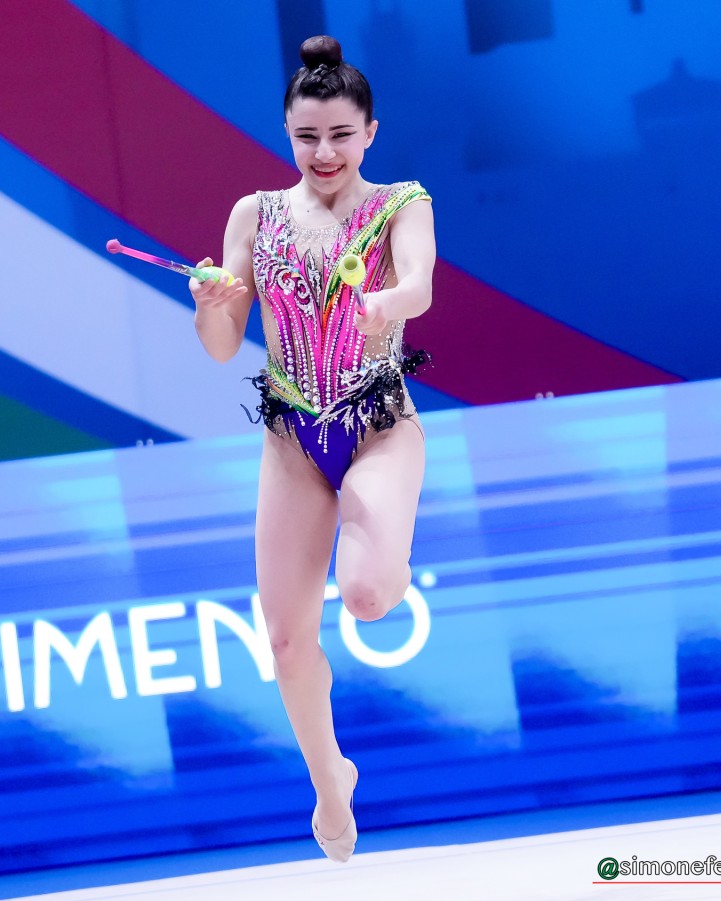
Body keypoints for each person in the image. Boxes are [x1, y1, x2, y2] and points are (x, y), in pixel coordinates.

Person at [187, 34, 436, 863]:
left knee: (365, 596)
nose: (324, 152)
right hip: (292, 438)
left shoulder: (402, 202)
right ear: (287, 134)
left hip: (378, 424)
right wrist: (212, 301)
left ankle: (389, 551)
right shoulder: (254, 215)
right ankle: (332, 780)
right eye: (307, 136)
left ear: (370, 132)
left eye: (340, 135)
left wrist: (385, 304)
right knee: (288, 641)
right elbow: (223, 344)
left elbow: (418, 284)